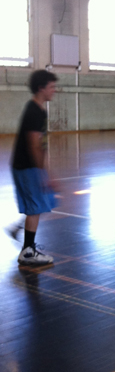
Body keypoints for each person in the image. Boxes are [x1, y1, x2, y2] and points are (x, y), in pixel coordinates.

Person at [11, 69, 58, 266]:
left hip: (27, 166)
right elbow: (33, 144)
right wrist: (44, 173)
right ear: (41, 88)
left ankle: (18, 230)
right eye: (52, 87)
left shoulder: (39, 109)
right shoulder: (34, 111)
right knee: (36, 207)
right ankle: (27, 251)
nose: (54, 91)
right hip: (27, 167)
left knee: (40, 203)